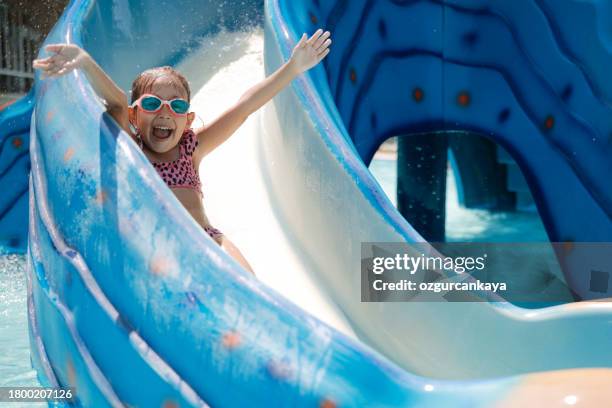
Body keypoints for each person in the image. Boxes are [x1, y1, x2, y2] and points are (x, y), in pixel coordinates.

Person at [33, 29, 332, 274]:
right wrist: (85, 62)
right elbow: (116, 104)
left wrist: (293, 68)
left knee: (248, 282)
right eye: (152, 104)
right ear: (135, 117)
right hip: (160, 248)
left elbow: (245, 107)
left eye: (176, 106)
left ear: (187, 120)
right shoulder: (132, 150)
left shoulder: (192, 149)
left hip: (208, 238)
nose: (165, 112)